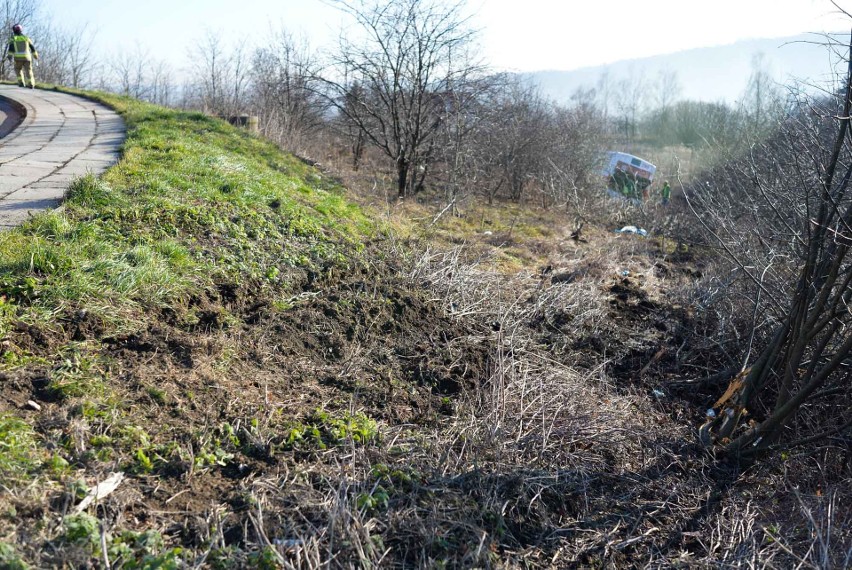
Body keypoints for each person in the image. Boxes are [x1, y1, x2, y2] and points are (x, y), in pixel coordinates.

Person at [7, 24, 38, 89]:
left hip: (18, 58)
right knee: (29, 70)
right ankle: (31, 84)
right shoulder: (26, 38)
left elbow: (11, 48)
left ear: (14, 31)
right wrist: (35, 55)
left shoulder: (13, 38)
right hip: (27, 58)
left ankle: (21, 83)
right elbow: (32, 47)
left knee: (18, 69)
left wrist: (9, 56)